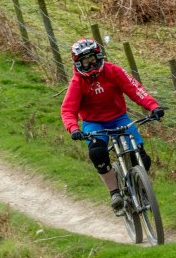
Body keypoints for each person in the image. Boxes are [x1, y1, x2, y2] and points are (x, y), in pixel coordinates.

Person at [61, 38, 165, 212]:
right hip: (94, 123)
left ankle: (141, 188)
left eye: (92, 58)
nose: (90, 64)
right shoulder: (77, 83)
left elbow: (135, 89)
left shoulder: (113, 71)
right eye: (85, 61)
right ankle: (115, 193)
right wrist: (74, 129)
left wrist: (153, 106)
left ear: (99, 56)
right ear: (78, 63)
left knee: (142, 157)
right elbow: (68, 110)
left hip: (119, 118)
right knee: (97, 152)